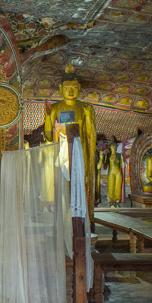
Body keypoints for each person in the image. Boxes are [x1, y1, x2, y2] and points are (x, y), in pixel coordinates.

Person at [43, 65, 97, 207]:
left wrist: (87, 117)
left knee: (80, 182)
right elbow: (49, 136)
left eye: (74, 87)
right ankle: (64, 212)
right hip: (62, 151)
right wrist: (48, 118)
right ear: (61, 88)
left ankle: (81, 214)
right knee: (62, 182)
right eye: (67, 88)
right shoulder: (55, 108)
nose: (71, 91)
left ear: (79, 87)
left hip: (80, 150)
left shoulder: (86, 108)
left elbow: (91, 134)